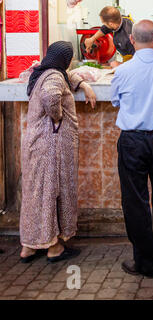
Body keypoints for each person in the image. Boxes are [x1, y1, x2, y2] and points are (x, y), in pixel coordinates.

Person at [111, 20, 153, 278]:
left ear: (131, 40)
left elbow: (116, 101)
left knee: (136, 203)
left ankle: (146, 263)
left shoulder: (122, 71)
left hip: (133, 142)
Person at [20, 41, 97, 264]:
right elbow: (51, 96)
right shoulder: (53, 77)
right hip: (50, 144)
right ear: (64, 59)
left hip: (37, 143)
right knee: (50, 192)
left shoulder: (45, 71)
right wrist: (57, 116)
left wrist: (83, 84)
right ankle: (53, 247)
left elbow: (65, 76)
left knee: (36, 193)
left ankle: (29, 246)